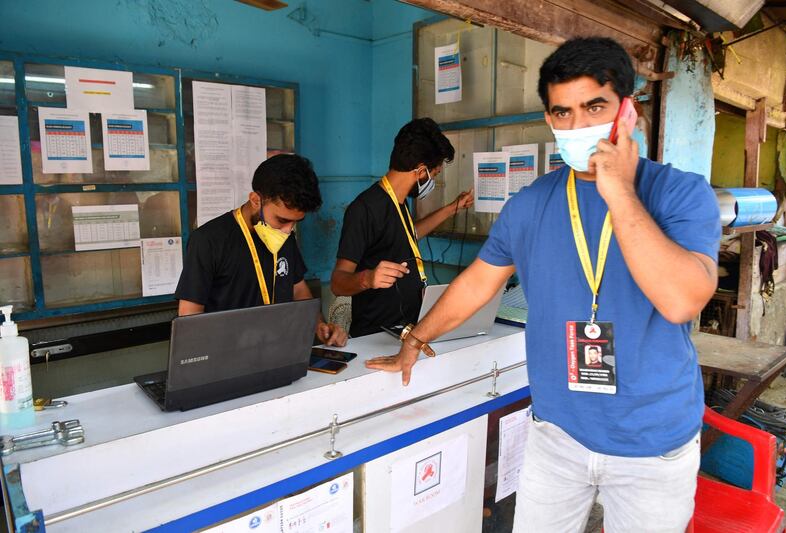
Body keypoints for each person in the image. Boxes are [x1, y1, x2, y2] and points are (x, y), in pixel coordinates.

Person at [366, 37, 720, 532]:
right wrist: (416, 339)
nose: (577, 125)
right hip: (558, 434)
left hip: (652, 445)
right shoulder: (531, 204)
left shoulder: (680, 193)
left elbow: (682, 300)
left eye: (594, 107)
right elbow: (476, 284)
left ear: (627, 112)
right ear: (551, 120)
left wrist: (616, 188)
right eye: (563, 112)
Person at [175, 154, 347, 347]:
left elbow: (298, 290)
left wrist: (319, 325)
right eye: (282, 220)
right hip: (227, 357)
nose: (288, 230)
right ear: (256, 199)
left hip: (279, 352)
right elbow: (189, 314)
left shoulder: (284, 237)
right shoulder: (209, 240)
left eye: (295, 222)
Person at [330, 118, 474, 337]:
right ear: (421, 171)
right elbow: (338, 282)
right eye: (434, 174)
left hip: (406, 330)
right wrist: (368, 279)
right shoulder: (364, 209)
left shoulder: (399, 202)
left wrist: (453, 208)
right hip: (375, 335)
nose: (432, 182)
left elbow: (408, 235)